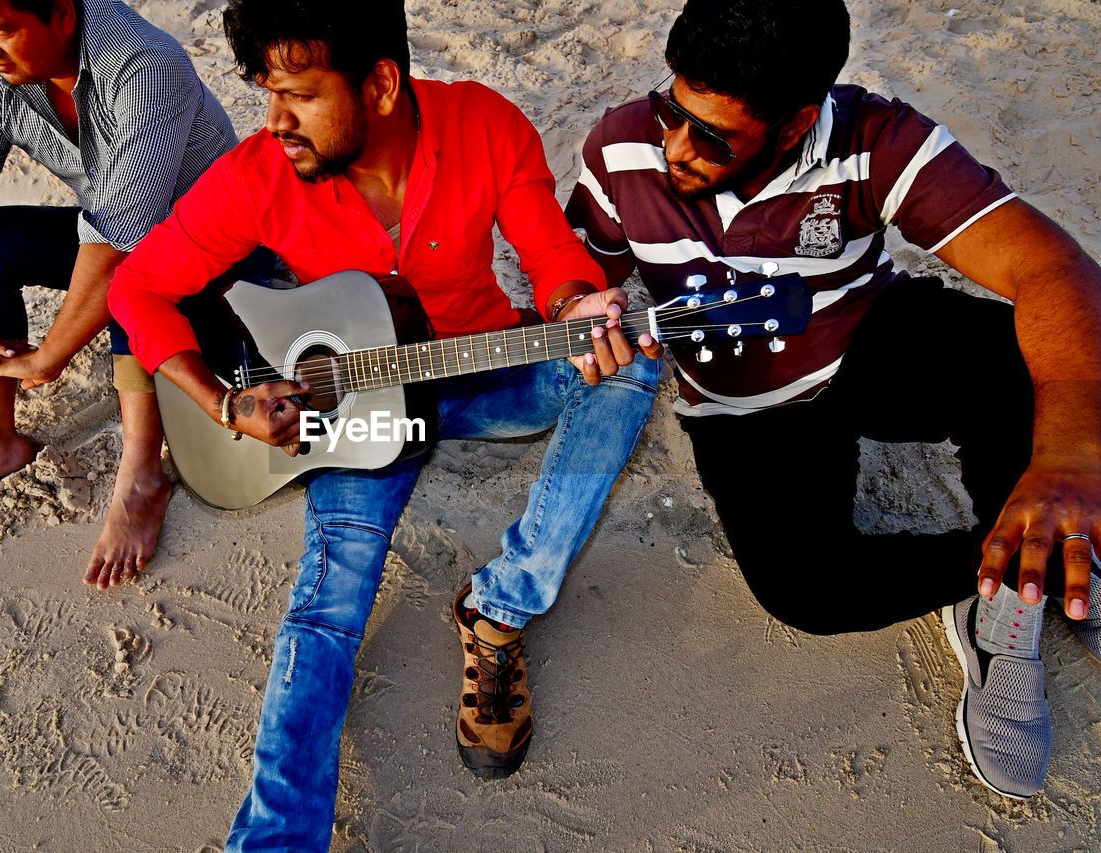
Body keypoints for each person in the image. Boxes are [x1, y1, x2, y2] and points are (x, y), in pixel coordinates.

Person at [108, 0, 663, 847]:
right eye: (265, 92)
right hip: (354, 410)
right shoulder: (260, 173)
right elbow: (137, 288)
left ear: (380, 85)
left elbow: (550, 256)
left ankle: (500, 605)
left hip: (479, 369)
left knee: (635, 353)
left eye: (297, 94)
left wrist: (575, 302)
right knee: (324, 609)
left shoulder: (485, 126)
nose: (274, 121)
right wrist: (225, 402)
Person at [567, 0, 1101, 801]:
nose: (674, 146)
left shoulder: (875, 139)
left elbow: (1055, 271)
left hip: (860, 337)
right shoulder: (620, 144)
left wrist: (1068, 458)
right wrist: (579, 301)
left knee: (1029, 362)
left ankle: (1018, 604)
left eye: (711, 135)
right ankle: (1010, 574)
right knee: (806, 593)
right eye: (671, 109)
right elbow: (578, 270)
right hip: (741, 401)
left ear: (794, 126)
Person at [0, 0, 248, 589]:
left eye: (2, 29)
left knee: (139, 265)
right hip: (125, 232)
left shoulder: (142, 65)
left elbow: (125, 232)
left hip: (225, 259)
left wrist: (48, 357)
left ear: (63, 14)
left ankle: (143, 474)